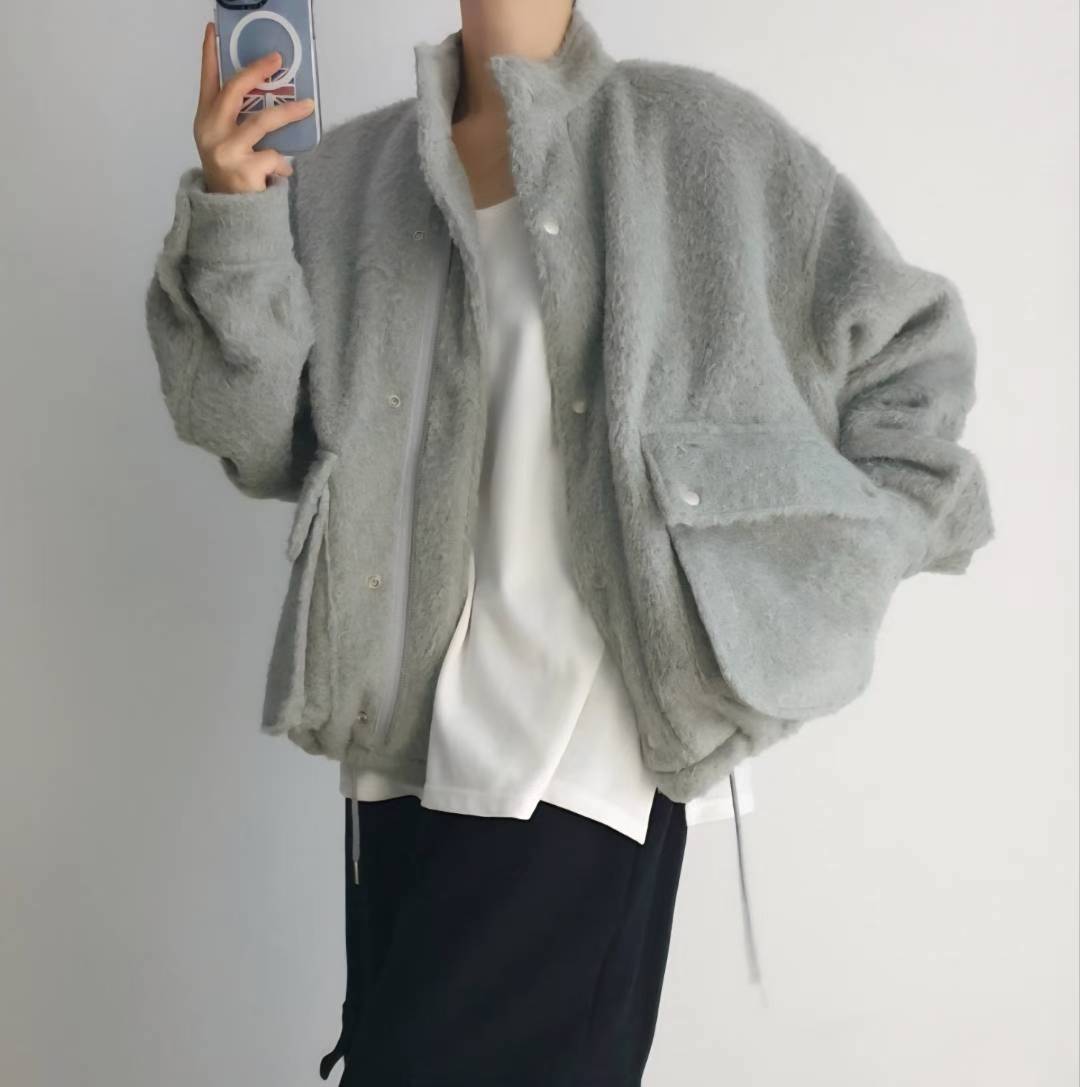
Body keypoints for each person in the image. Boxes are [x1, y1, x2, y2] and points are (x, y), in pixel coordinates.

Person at [144, 2, 995, 1084]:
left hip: (584, 755)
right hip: (400, 753)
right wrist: (238, 214)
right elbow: (259, 441)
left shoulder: (699, 142)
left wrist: (817, 572)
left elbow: (913, 361)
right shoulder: (352, 175)